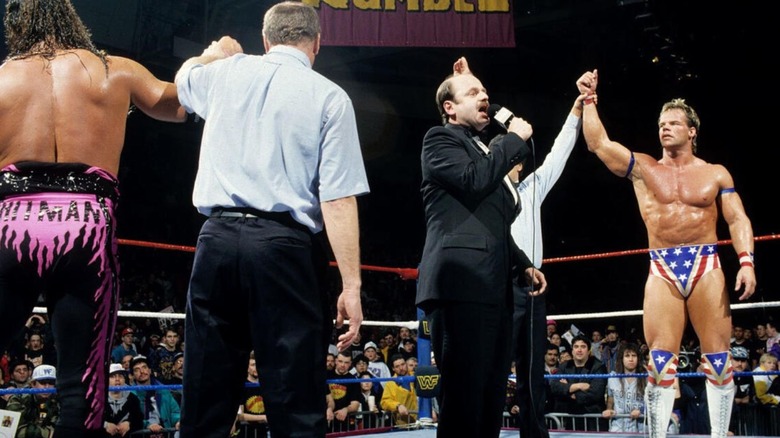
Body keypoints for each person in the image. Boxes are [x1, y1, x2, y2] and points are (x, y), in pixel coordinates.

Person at [173, 1, 369, 437]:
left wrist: (214, 52)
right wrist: (352, 286)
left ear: (266, 41)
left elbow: (183, 78)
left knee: (205, 394)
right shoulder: (330, 97)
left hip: (217, 241)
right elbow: (337, 198)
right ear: (318, 42)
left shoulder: (225, 73)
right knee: (296, 397)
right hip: (285, 250)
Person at [0, 1, 185, 436]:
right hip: (87, 224)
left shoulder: (3, 77)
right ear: (72, 21)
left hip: (11, 223)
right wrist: (209, 61)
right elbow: (177, 104)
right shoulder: (113, 70)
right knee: (79, 387)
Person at [578, 69, 757, 438]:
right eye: (662, 123)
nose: (665, 128)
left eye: (674, 123)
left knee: (719, 359)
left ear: (692, 131)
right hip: (662, 266)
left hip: (705, 261)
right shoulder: (644, 168)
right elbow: (599, 144)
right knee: (659, 362)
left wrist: (746, 262)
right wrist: (590, 100)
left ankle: (720, 433)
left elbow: (737, 218)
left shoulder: (715, 174)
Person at [416, 56, 546, 438]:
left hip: (495, 287)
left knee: (490, 394)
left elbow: (493, 222)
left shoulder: (484, 148)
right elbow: (473, 181)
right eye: (473, 93)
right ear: (450, 109)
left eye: (485, 91)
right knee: (464, 393)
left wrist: (522, 263)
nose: (484, 95)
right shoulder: (440, 139)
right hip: (462, 284)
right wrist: (512, 139)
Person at [506, 72, 587, 438]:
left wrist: (577, 108)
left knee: (533, 369)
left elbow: (560, 151)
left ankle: (535, 435)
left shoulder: (532, 186)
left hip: (534, 287)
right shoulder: (484, 192)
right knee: (492, 366)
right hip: (501, 285)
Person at [549, 334, 607, 430]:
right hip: (568, 419)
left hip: (592, 420)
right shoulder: (564, 366)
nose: (579, 350)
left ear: (589, 351)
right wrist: (579, 386)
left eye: (583, 347)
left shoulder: (598, 366)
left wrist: (568, 391)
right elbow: (554, 387)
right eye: (576, 347)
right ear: (572, 350)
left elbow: (596, 392)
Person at [5, 364, 59, 438]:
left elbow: (61, 429)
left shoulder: (59, 399)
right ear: (33, 384)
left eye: (51, 383)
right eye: (43, 382)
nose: (47, 387)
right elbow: (10, 429)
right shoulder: (18, 398)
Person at [602, 343, 645, 432]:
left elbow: (652, 403)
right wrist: (609, 410)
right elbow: (610, 401)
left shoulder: (646, 378)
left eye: (634, 355)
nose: (631, 359)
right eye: (627, 356)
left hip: (639, 429)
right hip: (617, 428)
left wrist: (642, 411)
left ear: (638, 358)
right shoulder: (613, 377)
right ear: (622, 358)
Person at [104, 363, 143, 437]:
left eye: (120, 376)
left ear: (124, 380)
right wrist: (104, 425)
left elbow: (139, 420)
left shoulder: (133, 399)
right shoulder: (99, 400)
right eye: (112, 376)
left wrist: (129, 423)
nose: (117, 379)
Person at [380, 354, 417, 426]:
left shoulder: (415, 376)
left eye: (402, 364)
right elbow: (384, 402)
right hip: (404, 424)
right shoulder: (390, 383)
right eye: (397, 366)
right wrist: (397, 406)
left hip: (422, 420)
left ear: (406, 364)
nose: (401, 368)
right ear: (393, 369)